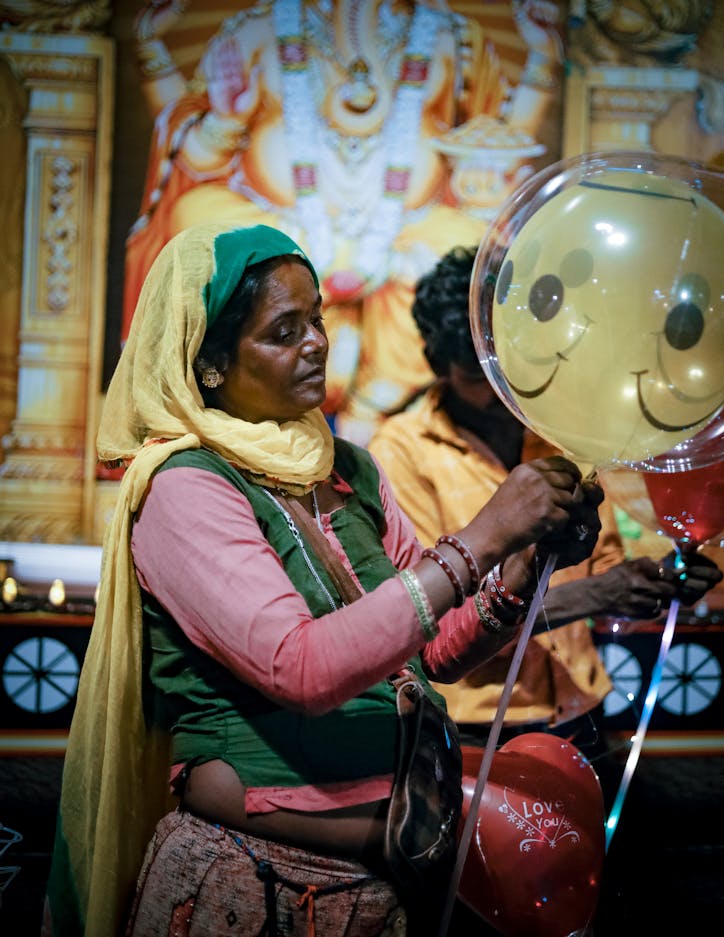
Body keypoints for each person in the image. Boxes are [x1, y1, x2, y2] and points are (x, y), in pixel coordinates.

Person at [43, 222, 603, 937]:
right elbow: (299, 665)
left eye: (317, 319)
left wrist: (519, 563)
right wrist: (484, 535)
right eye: (283, 330)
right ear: (210, 361)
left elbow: (433, 651)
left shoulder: (345, 468)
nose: (315, 342)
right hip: (253, 886)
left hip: (388, 873)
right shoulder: (184, 485)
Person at [368, 244, 724, 793]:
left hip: (578, 704)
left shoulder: (557, 434)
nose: (495, 389)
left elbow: (601, 565)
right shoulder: (401, 451)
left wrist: (658, 580)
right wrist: (602, 594)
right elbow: (437, 622)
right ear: (439, 364)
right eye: (474, 374)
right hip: (470, 725)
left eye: (503, 368)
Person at [124, 0, 564, 443]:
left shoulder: (455, 39)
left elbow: (502, 142)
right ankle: (249, 405)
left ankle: (379, 403)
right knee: (193, 216)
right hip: (282, 229)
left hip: (408, 236)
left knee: (469, 243)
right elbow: (195, 164)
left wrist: (542, 60)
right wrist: (225, 118)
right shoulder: (255, 33)